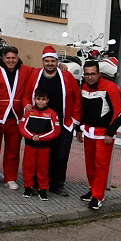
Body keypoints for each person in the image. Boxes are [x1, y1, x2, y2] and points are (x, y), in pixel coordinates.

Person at [23, 46, 81, 196]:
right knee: (40, 156)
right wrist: (26, 106)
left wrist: (75, 120)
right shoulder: (35, 75)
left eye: (53, 61)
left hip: (63, 123)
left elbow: (77, 98)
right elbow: (26, 95)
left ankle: (57, 185)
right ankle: (37, 184)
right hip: (39, 123)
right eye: (47, 61)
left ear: (57, 61)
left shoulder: (66, 76)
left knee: (61, 155)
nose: (50, 64)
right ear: (43, 61)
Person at [76, 59, 121, 210]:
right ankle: (93, 190)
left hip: (104, 135)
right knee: (90, 165)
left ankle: (98, 196)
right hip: (88, 132)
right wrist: (78, 129)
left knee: (101, 166)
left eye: (93, 74)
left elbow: (119, 113)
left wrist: (110, 133)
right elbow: (81, 109)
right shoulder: (83, 86)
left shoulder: (110, 87)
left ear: (99, 74)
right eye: (87, 74)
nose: (90, 77)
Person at [0, 45, 32, 191]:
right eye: (8, 58)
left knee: (13, 150)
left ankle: (10, 178)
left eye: (13, 58)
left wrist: (62, 65)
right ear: (3, 58)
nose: (11, 60)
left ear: (17, 58)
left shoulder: (27, 71)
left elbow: (43, 72)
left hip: (16, 117)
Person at [20, 86, 61, 200]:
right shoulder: (29, 112)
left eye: (43, 99)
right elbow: (22, 127)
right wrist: (32, 136)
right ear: (34, 99)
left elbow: (56, 131)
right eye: (38, 99)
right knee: (28, 167)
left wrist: (40, 137)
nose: (41, 102)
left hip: (44, 147)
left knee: (43, 169)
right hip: (30, 145)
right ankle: (28, 188)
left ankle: (43, 189)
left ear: (47, 100)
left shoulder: (52, 113)